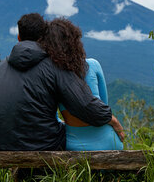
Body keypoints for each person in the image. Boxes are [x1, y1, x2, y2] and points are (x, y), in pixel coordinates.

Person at [0, 13, 124, 151]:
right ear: (44, 38)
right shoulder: (55, 66)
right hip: (42, 143)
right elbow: (85, 104)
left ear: (18, 37)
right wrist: (112, 119)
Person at [39, 18, 124, 151]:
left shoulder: (51, 74)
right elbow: (103, 106)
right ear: (75, 41)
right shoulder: (93, 65)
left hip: (75, 146)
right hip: (109, 143)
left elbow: (52, 116)